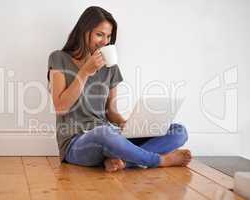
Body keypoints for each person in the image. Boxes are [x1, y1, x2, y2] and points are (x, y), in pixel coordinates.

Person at [47, 6, 192, 172]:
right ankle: (158, 160)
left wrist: (127, 124)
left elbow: (111, 111)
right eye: (99, 34)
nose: (105, 41)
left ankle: (123, 161)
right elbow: (60, 107)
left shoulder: (110, 66)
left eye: (108, 36)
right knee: (104, 133)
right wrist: (85, 72)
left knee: (179, 131)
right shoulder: (58, 58)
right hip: (76, 143)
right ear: (83, 32)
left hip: (111, 135)